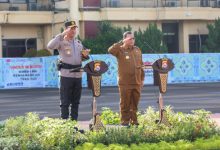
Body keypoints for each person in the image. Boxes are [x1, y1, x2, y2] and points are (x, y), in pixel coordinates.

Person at [47, 21, 90, 121]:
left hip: (78, 75)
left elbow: (82, 58)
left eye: (75, 29)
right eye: (71, 28)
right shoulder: (61, 41)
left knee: (76, 101)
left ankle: (74, 122)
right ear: (66, 29)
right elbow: (50, 46)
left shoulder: (78, 43)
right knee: (65, 101)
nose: (74, 31)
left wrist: (85, 55)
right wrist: (62, 34)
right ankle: (65, 124)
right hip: (66, 75)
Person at [108, 31, 145, 126]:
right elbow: (110, 50)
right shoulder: (120, 49)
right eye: (129, 39)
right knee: (125, 103)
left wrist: (142, 79)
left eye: (133, 38)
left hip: (136, 82)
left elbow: (141, 65)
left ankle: (134, 121)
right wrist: (122, 42)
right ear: (124, 39)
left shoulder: (137, 50)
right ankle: (125, 122)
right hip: (125, 82)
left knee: (135, 104)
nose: (132, 40)